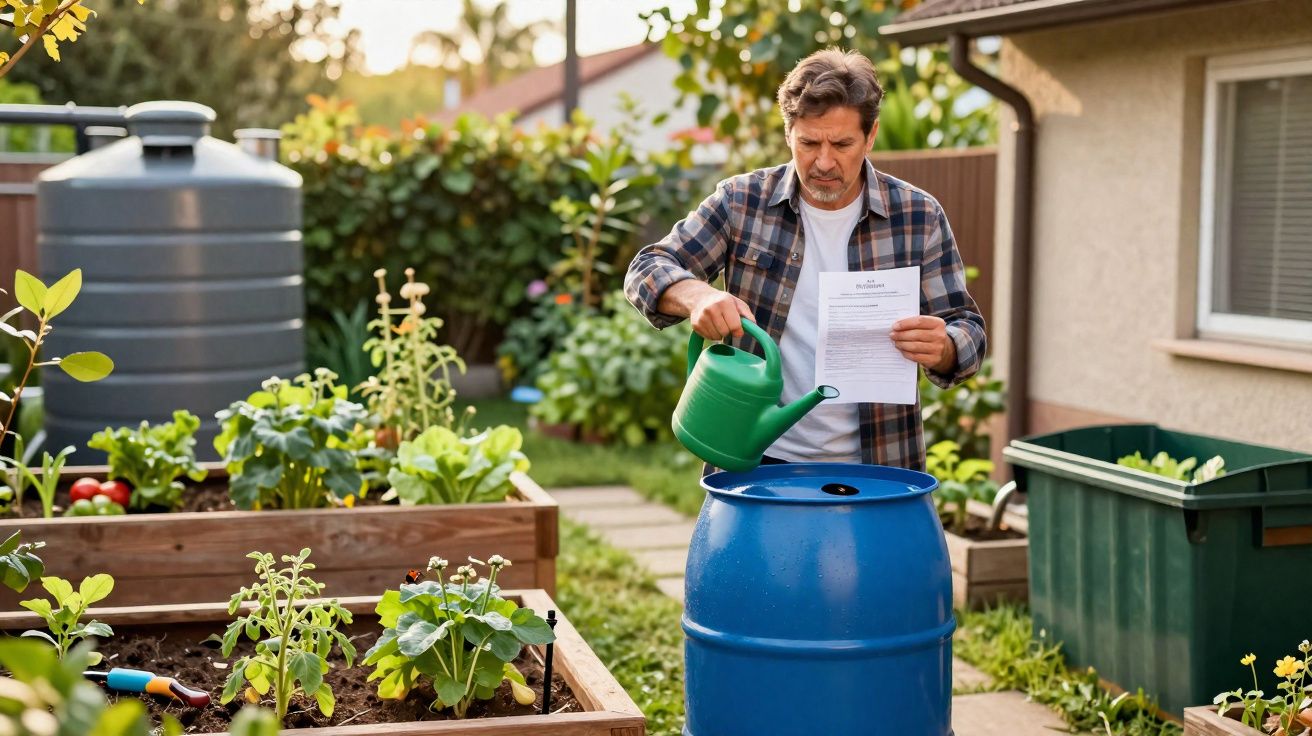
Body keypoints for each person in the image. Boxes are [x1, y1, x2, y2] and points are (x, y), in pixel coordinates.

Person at [623, 47, 986, 471]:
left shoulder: (918, 215)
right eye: (809, 143)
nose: (825, 161)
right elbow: (646, 267)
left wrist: (943, 346)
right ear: (788, 133)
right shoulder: (742, 202)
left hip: (882, 464)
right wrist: (696, 297)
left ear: (870, 137)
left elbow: (969, 331)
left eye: (843, 143)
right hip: (754, 459)